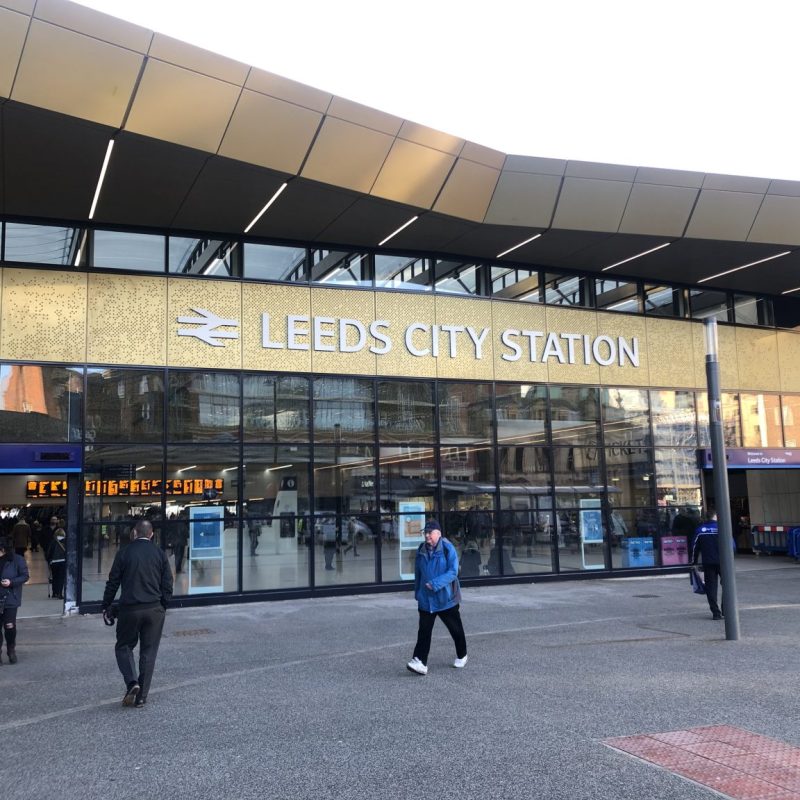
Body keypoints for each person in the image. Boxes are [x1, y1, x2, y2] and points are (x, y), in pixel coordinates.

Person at [101, 519, 173, 708]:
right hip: (154, 608)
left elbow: (113, 582)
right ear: (151, 534)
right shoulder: (159, 553)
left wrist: (106, 604)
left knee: (123, 647)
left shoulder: (124, 553)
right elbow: (168, 583)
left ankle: (132, 682)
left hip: (130, 609)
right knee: (149, 652)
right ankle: (142, 697)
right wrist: (163, 605)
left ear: (134, 533)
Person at [406, 519, 468, 675]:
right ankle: (420, 661)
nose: (427, 536)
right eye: (425, 533)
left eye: (430, 533)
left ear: (438, 534)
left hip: (446, 599)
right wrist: (417, 593)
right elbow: (418, 573)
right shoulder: (421, 549)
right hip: (426, 600)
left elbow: (453, 572)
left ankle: (462, 654)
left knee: (456, 630)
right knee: (424, 631)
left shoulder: (448, 548)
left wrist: (435, 584)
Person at [0, 536, 30, 664]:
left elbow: (25, 576)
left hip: (10, 597)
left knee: (9, 626)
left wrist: (11, 582)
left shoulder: (17, 560)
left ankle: (11, 649)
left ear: (3, 549)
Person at [692, 509, 725, 620]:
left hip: (708, 562)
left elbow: (694, 548)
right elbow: (732, 546)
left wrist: (694, 562)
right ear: (715, 516)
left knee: (711, 587)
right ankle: (726, 610)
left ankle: (716, 613)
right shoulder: (723, 528)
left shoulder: (700, 530)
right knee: (727, 586)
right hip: (724, 563)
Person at [46, 528, 67, 599]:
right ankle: (60, 593)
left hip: (54, 562)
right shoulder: (65, 541)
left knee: (54, 577)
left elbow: (48, 553)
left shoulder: (53, 542)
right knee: (61, 578)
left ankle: (54, 593)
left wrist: (49, 560)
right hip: (63, 562)